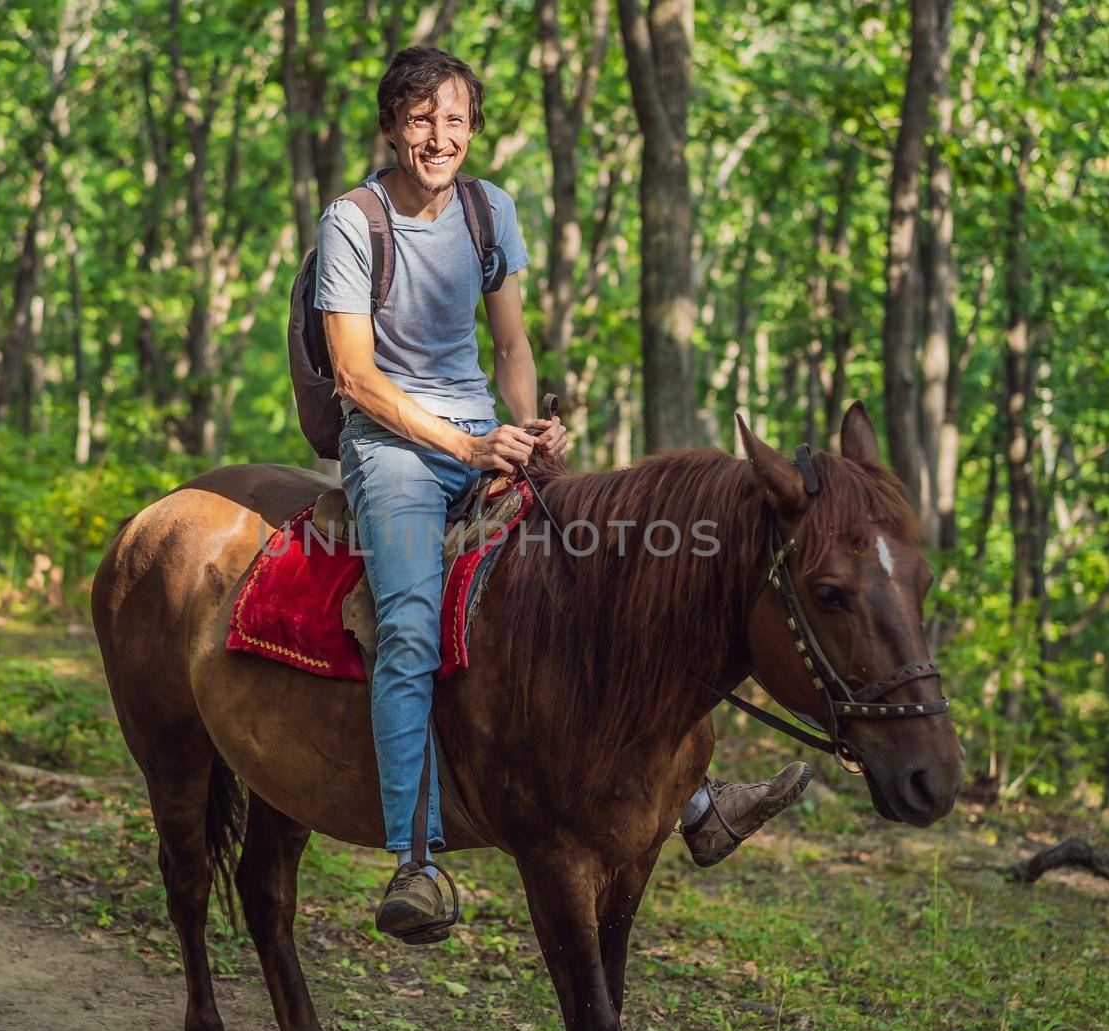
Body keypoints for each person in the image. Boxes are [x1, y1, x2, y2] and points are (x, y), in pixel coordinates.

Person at [315, 47, 810, 944]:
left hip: (487, 432)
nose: (440, 138)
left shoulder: (487, 208)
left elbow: (510, 346)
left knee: (603, 587)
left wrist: (531, 427)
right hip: (392, 450)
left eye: (456, 120)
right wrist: (464, 442)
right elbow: (353, 375)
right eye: (422, 120)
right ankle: (416, 860)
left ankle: (696, 798)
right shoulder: (352, 222)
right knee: (410, 624)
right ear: (392, 125)